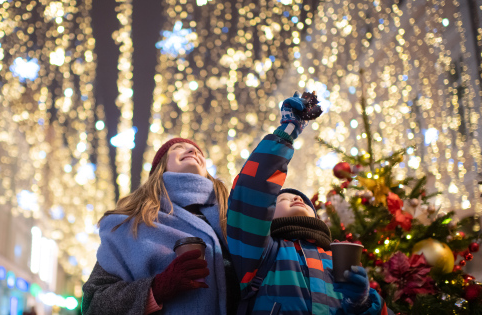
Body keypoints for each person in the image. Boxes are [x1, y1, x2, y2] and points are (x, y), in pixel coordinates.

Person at [227, 92, 385, 314]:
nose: (296, 197)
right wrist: (286, 132)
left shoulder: (335, 260)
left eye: (302, 200)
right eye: (282, 198)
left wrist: (361, 302)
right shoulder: (259, 252)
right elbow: (251, 190)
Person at [81, 138, 239, 314]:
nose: (192, 151)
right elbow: (94, 303)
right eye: (179, 148)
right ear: (160, 167)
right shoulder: (130, 226)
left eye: (197, 151)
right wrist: (156, 289)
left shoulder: (232, 217)